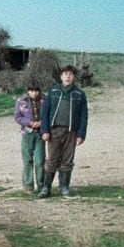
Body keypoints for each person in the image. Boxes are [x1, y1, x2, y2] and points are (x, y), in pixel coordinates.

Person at [39, 64, 89, 198]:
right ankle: (46, 188)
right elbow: (45, 112)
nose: (68, 76)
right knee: (52, 159)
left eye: (70, 74)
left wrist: (81, 134)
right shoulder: (53, 92)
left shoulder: (79, 94)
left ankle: (64, 188)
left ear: (74, 77)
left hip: (71, 132)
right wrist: (45, 130)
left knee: (67, 160)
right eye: (65, 74)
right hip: (54, 130)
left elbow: (84, 116)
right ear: (61, 76)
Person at [13, 83, 46, 193]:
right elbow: (17, 116)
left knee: (40, 161)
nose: (34, 93)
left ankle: (42, 185)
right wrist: (30, 123)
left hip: (41, 134)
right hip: (27, 133)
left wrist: (42, 123)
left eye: (36, 91)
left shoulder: (45, 99)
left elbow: (50, 114)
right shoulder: (21, 101)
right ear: (28, 91)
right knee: (27, 160)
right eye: (32, 91)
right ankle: (28, 186)